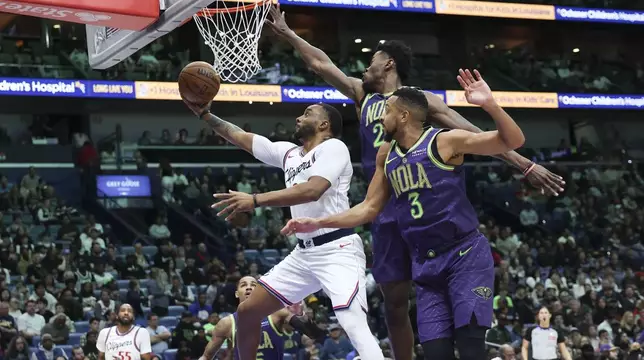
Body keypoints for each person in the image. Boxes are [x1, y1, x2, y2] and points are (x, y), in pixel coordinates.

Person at [265, 4, 565, 360]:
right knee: (393, 301)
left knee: (448, 291)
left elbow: (472, 132)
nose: (365, 66)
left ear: (389, 64)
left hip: (424, 198)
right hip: (383, 202)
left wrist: (525, 165)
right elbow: (320, 63)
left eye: (372, 60)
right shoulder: (363, 96)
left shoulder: (418, 101)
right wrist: (288, 34)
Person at [281, 74, 524, 360]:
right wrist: (318, 222)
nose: (380, 118)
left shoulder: (445, 141)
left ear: (404, 115)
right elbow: (369, 208)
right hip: (425, 263)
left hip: (464, 254)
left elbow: (513, 140)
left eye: (386, 112)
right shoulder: (387, 153)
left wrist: (491, 105)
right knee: (435, 352)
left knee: (470, 345)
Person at [183, 98, 383, 359]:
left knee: (352, 322)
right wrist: (206, 115)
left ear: (324, 124)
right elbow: (242, 137)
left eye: (307, 113)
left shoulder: (334, 147)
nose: (299, 118)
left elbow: (312, 190)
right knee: (247, 311)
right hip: (303, 254)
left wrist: (255, 199)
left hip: (337, 248)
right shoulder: (289, 153)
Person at [197, 276, 325, 360]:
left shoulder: (276, 313)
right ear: (237, 293)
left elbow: (315, 334)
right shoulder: (226, 323)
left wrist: (301, 315)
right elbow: (206, 357)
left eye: (253, 285)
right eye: (243, 285)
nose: (248, 287)